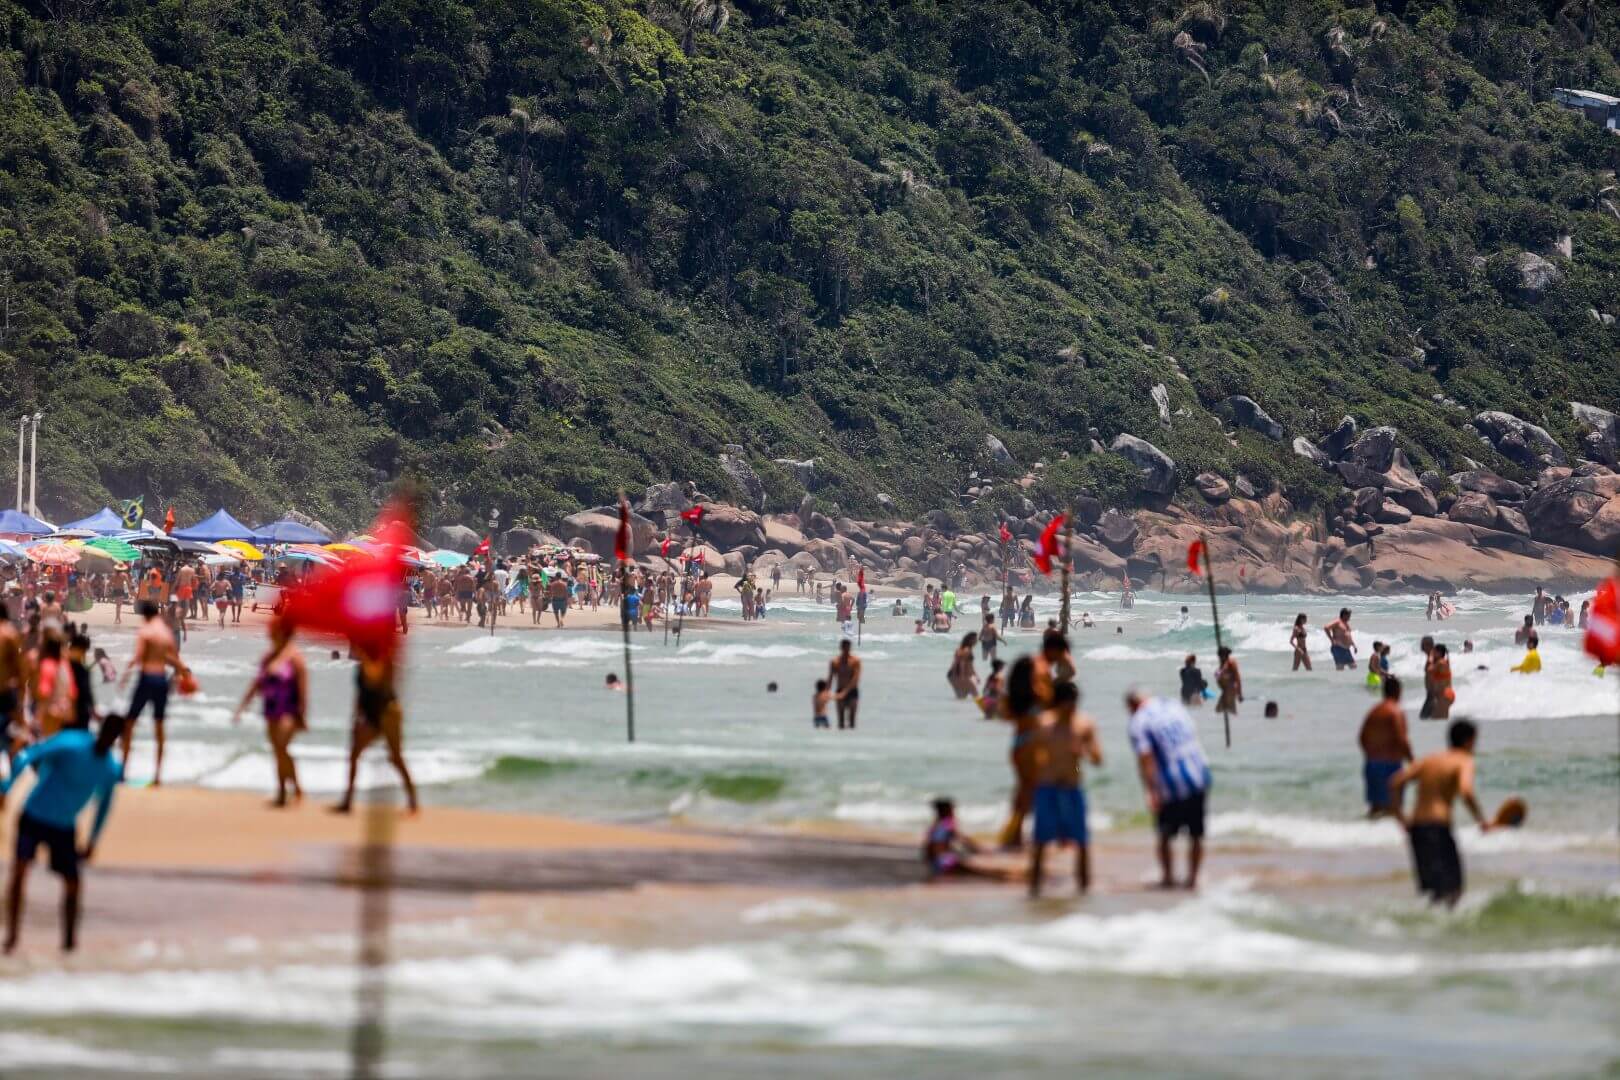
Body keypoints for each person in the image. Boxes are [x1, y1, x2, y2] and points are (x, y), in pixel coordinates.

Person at [0, 713, 126, 952]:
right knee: (19, 872)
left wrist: (92, 840)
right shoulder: (71, 743)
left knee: (73, 883)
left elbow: (104, 807)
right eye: (107, 732)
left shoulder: (110, 769)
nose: (108, 738)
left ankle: (69, 944)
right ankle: (11, 938)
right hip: (34, 815)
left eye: (114, 736)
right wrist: (7, 786)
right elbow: (28, 756)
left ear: (117, 739)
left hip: (64, 826)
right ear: (101, 730)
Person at [1389, 720, 1491, 907]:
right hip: (1438, 828)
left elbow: (1395, 782)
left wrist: (1401, 818)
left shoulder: (1431, 759)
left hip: (1417, 829)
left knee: (1430, 892)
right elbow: (1466, 791)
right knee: (1453, 890)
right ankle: (1448, 934)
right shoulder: (1463, 760)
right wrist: (1481, 820)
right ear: (1469, 741)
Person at [1125, 690, 1212, 889]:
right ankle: (1193, 879)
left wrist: (1151, 791)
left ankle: (1168, 878)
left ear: (1131, 707)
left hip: (1172, 783)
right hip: (1199, 773)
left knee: (1165, 835)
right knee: (1196, 833)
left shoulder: (1139, 721)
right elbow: (1192, 733)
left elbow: (1146, 758)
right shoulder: (1173, 705)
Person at [1028, 682, 1101, 898]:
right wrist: (1042, 770)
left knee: (1082, 841)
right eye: (1068, 703)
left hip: (1072, 787)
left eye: (1074, 703)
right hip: (1047, 788)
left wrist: (1082, 754)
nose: (1071, 708)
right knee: (1041, 841)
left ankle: (1084, 890)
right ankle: (1034, 890)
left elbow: (1097, 759)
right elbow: (1034, 756)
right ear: (1057, 703)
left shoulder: (1084, 724)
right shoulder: (1043, 724)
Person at [230, 617, 307, 807]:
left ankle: (290, 790)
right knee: (278, 750)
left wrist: (302, 715)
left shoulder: (295, 657)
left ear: (281, 632)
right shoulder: (269, 656)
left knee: (281, 747)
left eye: (272, 630)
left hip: (288, 709)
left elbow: (303, 689)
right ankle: (287, 790)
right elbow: (257, 683)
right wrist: (242, 706)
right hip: (271, 708)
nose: (269, 633)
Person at [333, 643, 418, 815]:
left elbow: (375, 680)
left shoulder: (384, 658)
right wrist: (356, 717)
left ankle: (412, 801)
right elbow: (360, 692)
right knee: (354, 753)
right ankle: (347, 801)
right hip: (370, 714)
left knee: (395, 758)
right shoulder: (362, 660)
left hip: (388, 712)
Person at [118, 600, 190, 786]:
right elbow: (172, 657)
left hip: (146, 678)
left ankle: (123, 771)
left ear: (144, 615)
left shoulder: (146, 630)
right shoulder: (165, 632)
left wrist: (126, 674)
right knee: (159, 726)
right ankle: (157, 775)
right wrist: (184, 671)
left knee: (129, 723)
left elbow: (139, 655)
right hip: (161, 680)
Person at [996, 656, 1042, 850]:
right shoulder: (1037, 694)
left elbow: (1003, 716)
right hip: (1032, 746)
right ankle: (1020, 835)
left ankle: (1016, 833)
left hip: (1018, 745)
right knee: (1030, 791)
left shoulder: (1013, 697)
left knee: (1023, 790)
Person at [1358, 676, 1412, 819]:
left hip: (1372, 764)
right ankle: (1389, 839)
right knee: (1394, 811)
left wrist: (1372, 756)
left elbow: (1362, 738)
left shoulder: (1374, 712)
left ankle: (1368, 837)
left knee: (1375, 810)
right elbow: (1402, 739)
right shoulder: (1396, 711)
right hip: (1390, 766)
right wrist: (1412, 761)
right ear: (1398, 691)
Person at [923, 798, 1008, 881]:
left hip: (934, 863)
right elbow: (964, 840)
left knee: (970, 870)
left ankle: (1000, 875)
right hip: (945, 861)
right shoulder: (947, 824)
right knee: (978, 872)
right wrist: (980, 850)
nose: (954, 812)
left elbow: (930, 847)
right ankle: (1002, 876)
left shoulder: (934, 826)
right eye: (952, 809)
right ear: (947, 811)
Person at [829, 639, 861, 730]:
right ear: (841, 648)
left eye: (848, 648)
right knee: (841, 722)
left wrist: (845, 692)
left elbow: (855, 679)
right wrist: (825, 692)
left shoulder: (855, 661)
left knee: (852, 721)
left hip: (852, 692)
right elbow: (830, 678)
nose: (846, 650)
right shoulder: (835, 662)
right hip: (840, 690)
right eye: (844, 648)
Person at [947, 633, 979, 700]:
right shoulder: (966, 650)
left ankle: (956, 710)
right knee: (976, 694)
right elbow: (961, 663)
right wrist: (962, 678)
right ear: (971, 640)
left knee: (961, 698)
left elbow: (969, 665)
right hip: (960, 675)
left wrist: (976, 675)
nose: (977, 641)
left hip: (953, 675)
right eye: (976, 639)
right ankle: (988, 709)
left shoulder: (962, 649)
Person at [1428, 643, 1454, 718]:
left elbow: (1429, 670)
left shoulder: (1440, 663)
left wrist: (1430, 657)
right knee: (1441, 719)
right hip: (1447, 694)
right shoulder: (1445, 662)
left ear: (1439, 653)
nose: (1432, 653)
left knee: (1436, 719)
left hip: (1444, 695)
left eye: (1434, 652)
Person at [1215, 646, 1242, 714]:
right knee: (1225, 712)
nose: (1219, 657)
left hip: (1230, 690)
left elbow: (1237, 678)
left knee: (1224, 711)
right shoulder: (1223, 663)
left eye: (1220, 655)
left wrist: (1239, 694)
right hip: (1225, 691)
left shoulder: (1231, 663)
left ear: (1224, 655)